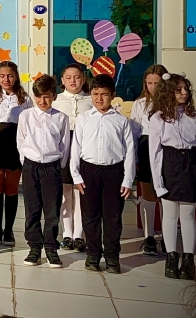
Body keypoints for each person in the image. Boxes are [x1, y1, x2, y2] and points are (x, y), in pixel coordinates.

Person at [148, 73, 196, 280]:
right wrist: (158, 184)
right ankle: (171, 257)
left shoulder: (195, 116)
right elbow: (155, 154)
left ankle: (188, 259)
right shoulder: (158, 118)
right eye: (178, 89)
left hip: (190, 164)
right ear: (169, 92)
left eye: (186, 89)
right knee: (169, 214)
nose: (184, 93)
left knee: (188, 214)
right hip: (170, 163)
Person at [71, 74, 136, 274]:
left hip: (113, 172)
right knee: (90, 216)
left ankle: (112, 256)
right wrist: (76, 175)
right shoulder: (83, 119)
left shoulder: (122, 121)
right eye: (95, 94)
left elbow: (130, 151)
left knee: (112, 217)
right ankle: (92, 254)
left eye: (104, 94)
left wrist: (128, 179)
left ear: (112, 95)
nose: (99, 99)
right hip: (89, 171)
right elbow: (76, 147)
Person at [17, 74, 69, 268]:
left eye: (46, 96)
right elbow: (21, 141)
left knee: (52, 210)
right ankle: (34, 248)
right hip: (31, 166)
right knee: (32, 209)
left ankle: (51, 248)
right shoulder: (26, 115)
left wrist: (58, 166)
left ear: (54, 96)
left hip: (52, 166)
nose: (42, 101)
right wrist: (26, 163)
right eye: (38, 96)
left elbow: (64, 145)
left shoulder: (61, 118)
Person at [0, 61, 32, 247]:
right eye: (2, 76)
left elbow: (30, 124)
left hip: (15, 145)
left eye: (10, 75)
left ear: (16, 77)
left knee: (11, 188)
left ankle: (9, 230)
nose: (6, 79)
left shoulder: (25, 99)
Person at [53, 63, 93, 253]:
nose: (73, 81)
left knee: (80, 192)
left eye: (77, 77)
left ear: (83, 79)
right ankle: (67, 234)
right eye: (68, 77)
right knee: (65, 193)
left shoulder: (91, 100)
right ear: (62, 80)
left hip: (84, 149)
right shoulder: (56, 101)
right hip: (63, 148)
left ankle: (79, 235)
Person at [131, 64, 168, 256]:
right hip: (145, 147)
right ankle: (149, 237)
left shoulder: (171, 101)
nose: (153, 87)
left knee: (166, 194)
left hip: (166, 148)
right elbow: (135, 131)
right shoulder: (140, 104)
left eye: (157, 83)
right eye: (149, 83)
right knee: (148, 193)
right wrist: (134, 157)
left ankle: (167, 237)